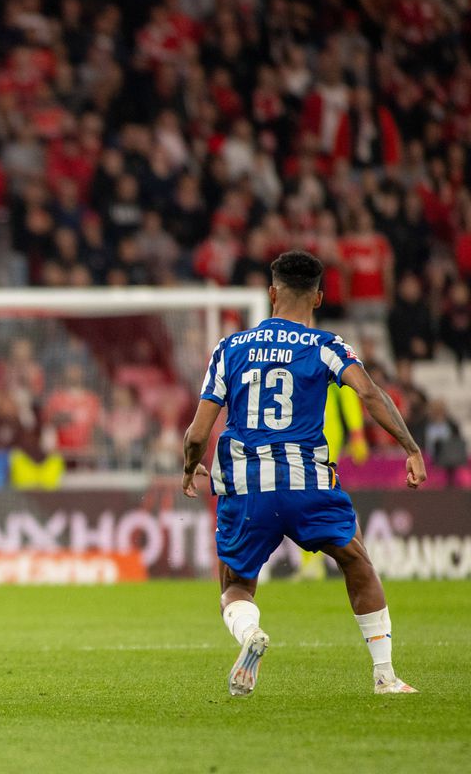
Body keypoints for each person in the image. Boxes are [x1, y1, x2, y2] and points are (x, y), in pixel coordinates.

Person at [181, 249, 426, 698]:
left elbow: (199, 431)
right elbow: (369, 394)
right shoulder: (327, 346)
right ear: (317, 298)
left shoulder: (230, 347)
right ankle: (385, 676)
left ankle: (250, 633)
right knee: (357, 562)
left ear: (271, 293)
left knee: (235, 585)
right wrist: (409, 447)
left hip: (248, 485)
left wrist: (187, 465)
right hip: (306, 482)